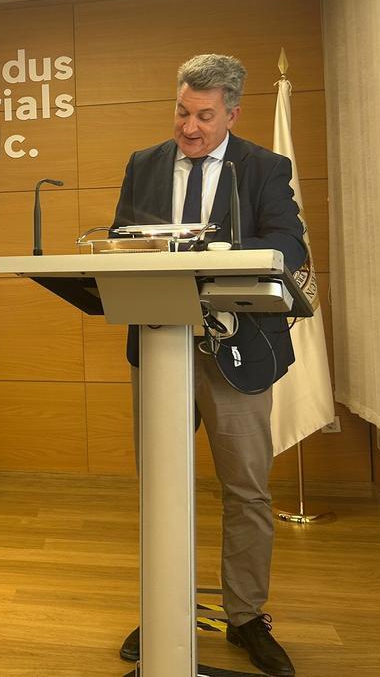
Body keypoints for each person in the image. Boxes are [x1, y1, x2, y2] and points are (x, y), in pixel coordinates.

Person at [111, 54, 306, 677]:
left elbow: (290, 244)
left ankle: (245, 615)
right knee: (160, 486)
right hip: (159, 343)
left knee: (245, 489)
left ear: (232, 114)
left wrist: (214, 251)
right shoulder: (143, 164)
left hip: (236, 349)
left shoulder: (264, 167)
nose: (188, 127)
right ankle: (165, 608)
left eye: (203, 116)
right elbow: (121, 239)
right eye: (181, 111)